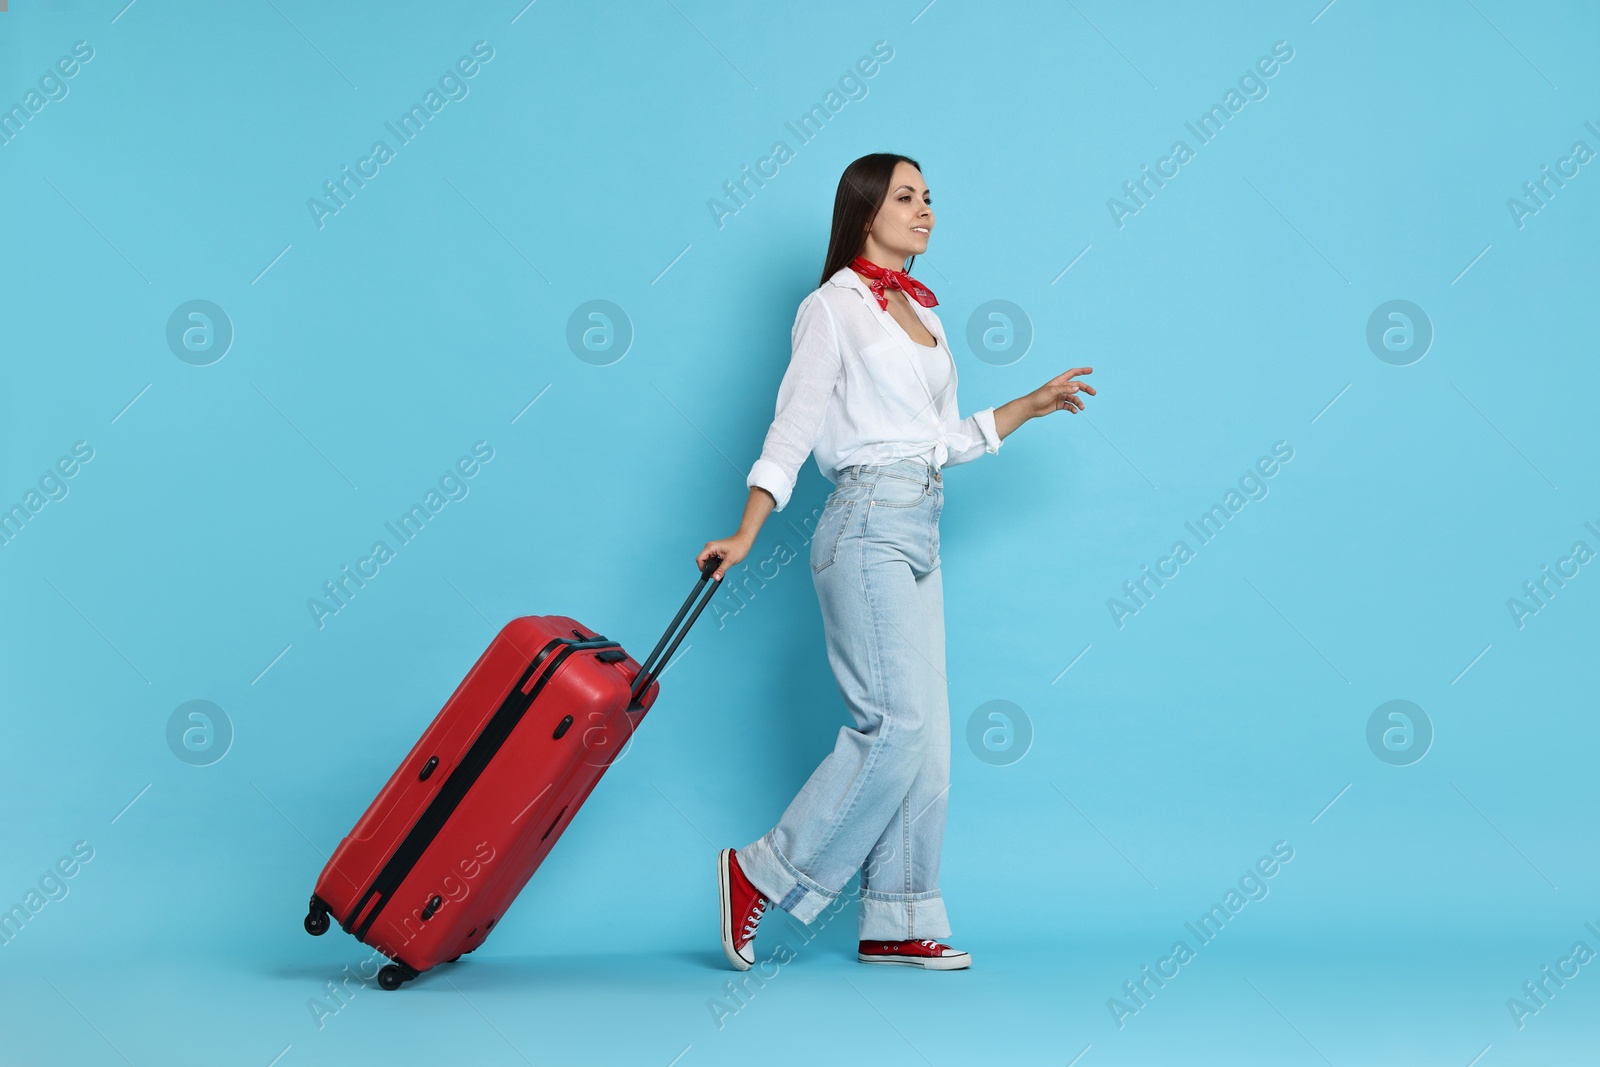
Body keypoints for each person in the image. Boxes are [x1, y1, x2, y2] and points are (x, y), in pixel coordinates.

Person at [698, 152, 1095, 971]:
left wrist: (1030, 403)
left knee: (931, 740)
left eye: (929, 198)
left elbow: (941, 441)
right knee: (895, 723)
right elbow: (793, 426)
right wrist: (745, 531)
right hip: (865, 522)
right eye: (907, 197)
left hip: (922, 524)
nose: (927, 211)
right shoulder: (831, 308)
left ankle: (897, 916)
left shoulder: (926, 317)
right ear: (866, 209)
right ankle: (760, 871)